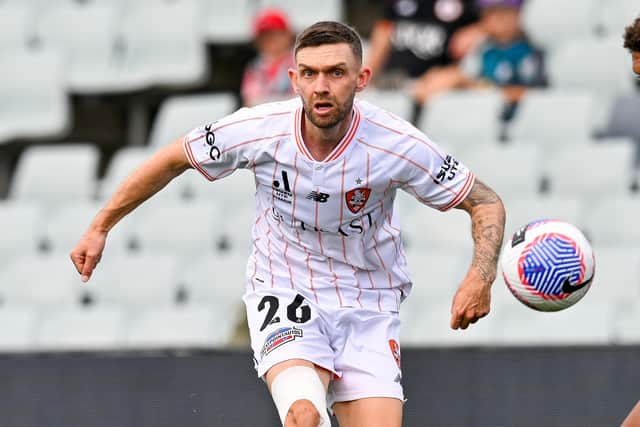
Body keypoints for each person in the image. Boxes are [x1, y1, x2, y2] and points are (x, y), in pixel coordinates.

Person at [70, 21, 505, 427]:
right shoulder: (259, 129)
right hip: (285, 288)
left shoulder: (397, 144)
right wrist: (100, 226)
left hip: (368, 301)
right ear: (294, 79)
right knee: (304, 416)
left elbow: (485, 202)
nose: (321, 87)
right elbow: (172, 159)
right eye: (310, 74)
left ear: (362, 79)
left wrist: (481, 276)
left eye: (336, 73)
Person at [414, 0, 546, 119]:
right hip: (482, 116)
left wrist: (487, 91)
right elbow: (468, 77)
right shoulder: (482, 48)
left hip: (517, 118)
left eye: (504, 12)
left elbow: (533, 93)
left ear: (518, 14)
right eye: (491, 13)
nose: (497, 19)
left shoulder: (531, 50)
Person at [365, 0, 485, 117]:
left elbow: (494, 21)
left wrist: (479, 29)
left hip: (435, 85)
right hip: (393, 83)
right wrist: (365, 77)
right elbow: (381, 39)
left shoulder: (465, 5)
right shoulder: (397, 5)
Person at [240, 8, 296, 107]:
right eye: (264, 36)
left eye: (275, 34)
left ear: (287, 35)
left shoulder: (300, 62)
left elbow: (301, 99)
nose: (270, 40)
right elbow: (250, 102)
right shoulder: (255, 67)